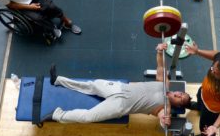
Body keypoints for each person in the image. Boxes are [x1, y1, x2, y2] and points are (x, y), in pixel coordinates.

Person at [47, 43, 191, 126]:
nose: (179, 94)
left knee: (88, 117)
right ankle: (58, 80)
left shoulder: (165, 108)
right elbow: (160, 67)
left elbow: (163, 120)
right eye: (182, 93)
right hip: (119, 88)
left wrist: (164, 121)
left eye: (181, 98)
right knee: (92, 85)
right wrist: (159, 51)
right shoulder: (165, 84)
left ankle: (57, 115)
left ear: (178, 105)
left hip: (120, 106)